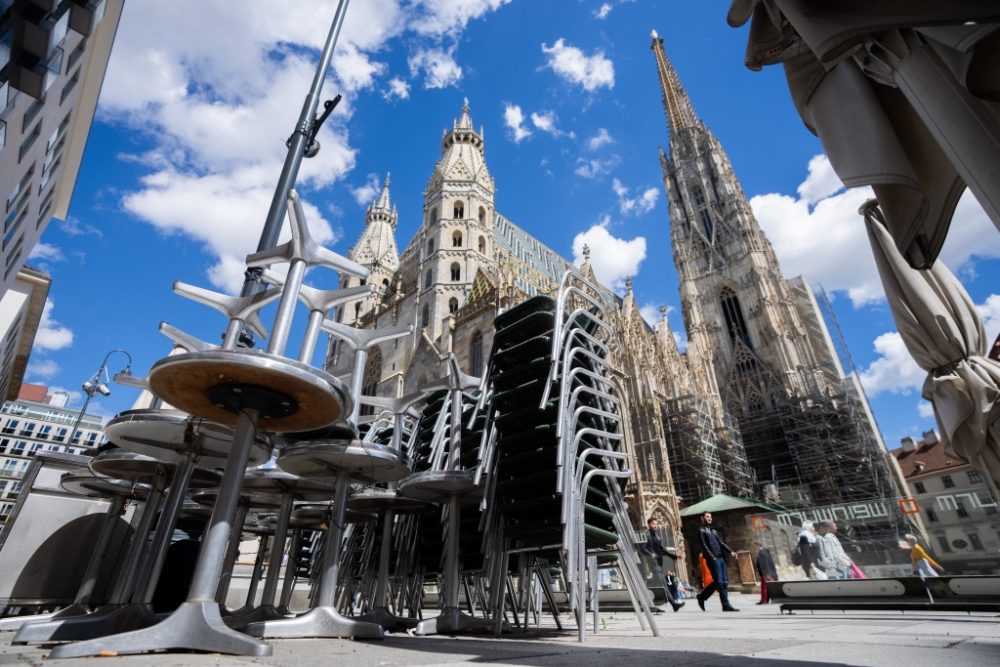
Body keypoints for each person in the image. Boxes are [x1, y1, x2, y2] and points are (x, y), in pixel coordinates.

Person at [696, 512, 738, 612]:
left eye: (710, 517)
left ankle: (725, 605)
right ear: (702, 518)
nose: (709, 518)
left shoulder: (713, 531)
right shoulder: (701, 530)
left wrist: (730, 551)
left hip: (721, 558)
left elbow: (721, 543)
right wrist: (712, 557)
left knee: (724, 582)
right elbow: (704, 546)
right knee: (719, 581)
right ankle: (703, 597)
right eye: (707, 517)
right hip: (713, 558)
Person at [642, 517, 685, 611]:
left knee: (657, 585)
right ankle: (673, 604)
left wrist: (675, 556)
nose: (655, 525)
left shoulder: (657, 536)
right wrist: (651, 554)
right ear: (649, 525)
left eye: (656, 524)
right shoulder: (647, 535)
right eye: (653, 524)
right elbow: (643, 548)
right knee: (664, 584)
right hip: (653, 564)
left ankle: (651, 606)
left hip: (659, 563)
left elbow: (663, 550)